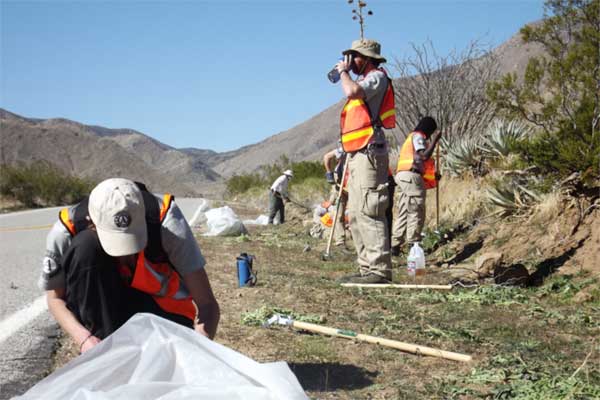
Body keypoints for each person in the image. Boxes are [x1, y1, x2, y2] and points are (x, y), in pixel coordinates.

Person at [40, 178, 220, 353]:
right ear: (92, 222)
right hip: (109, 311)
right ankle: (106, 354)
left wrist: (197, 348)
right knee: (84, 247)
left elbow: (207, 303)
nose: (126, 255)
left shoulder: (166, 221)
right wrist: (85, 340)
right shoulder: (66, 230)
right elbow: (55, 298)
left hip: (164, 313)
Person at [334, 38, 396, 284]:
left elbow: (352, 91)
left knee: (371, 210)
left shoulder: (377, 77)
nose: (351, 61)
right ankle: (366, 268)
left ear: (367, 58)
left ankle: (379, 270)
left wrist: (343, 73)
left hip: (369, 152)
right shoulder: (360, 79)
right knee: (356, 213)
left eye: (355, 57)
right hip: (357, 153)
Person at [391, 116, 442, 256]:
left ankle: (395, 245)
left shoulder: (411, 138)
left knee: (404, 210)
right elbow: (423, 157)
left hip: (403, 176)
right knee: (416, 210)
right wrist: (435, 140)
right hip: (411, 177)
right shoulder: (418, 137)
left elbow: (419, 163)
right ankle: (414, 245)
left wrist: (433, 176)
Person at [323, 144, 349, 247]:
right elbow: (327, 157)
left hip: (354, 182)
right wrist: (329, 173)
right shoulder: (344, 148)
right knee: (339, 214)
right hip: (341, 182)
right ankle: (340, 241)